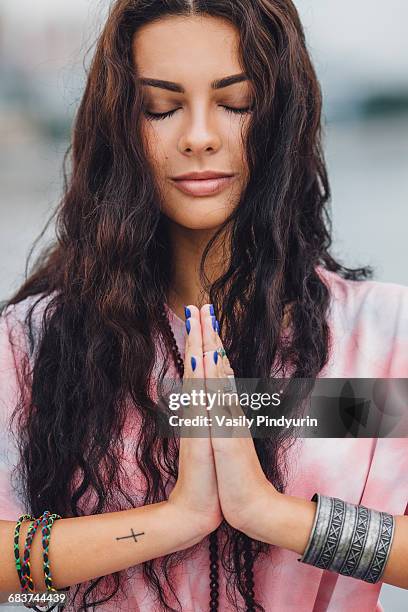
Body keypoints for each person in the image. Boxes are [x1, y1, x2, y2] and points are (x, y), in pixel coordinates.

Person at [0, 1, 407, 611]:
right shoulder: (33, 341)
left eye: (236, 103)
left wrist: (271, 514)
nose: (199, 137)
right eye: (161, 107)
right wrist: (174, 520)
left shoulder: (376, 336)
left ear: (281, 117)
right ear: (120, 125)